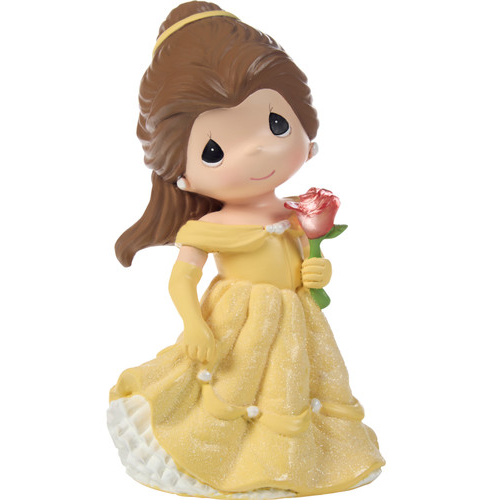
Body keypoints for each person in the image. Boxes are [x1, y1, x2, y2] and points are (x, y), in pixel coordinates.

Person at [107, 2, 385, 497]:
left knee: (290, 386)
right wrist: (194, 323)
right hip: (237, 321)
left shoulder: (295, 213)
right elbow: (182, 278)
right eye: (214, 151)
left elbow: (305, 259)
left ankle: (289, 461)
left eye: (277, 125)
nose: (257, 150)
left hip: (295, 320)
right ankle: (224, 455)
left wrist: (316, 271)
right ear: (183, 174)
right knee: (232, 388)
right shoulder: (208, 227)